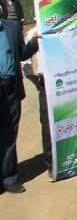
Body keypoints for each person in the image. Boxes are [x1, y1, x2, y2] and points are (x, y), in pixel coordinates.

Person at [0, 18, 38, 194]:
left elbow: (22, 54)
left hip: (11, 88)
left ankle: (9, 178)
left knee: (10, 134)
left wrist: (35, 42)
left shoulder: (12, 27)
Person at [21, 26, 51, 168]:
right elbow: (25, 62)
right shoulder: (33, 33)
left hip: (68, 81)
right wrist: (35, 80)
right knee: (48, 123)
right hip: (46, 82)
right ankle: (51, 161)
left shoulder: (66, 25)